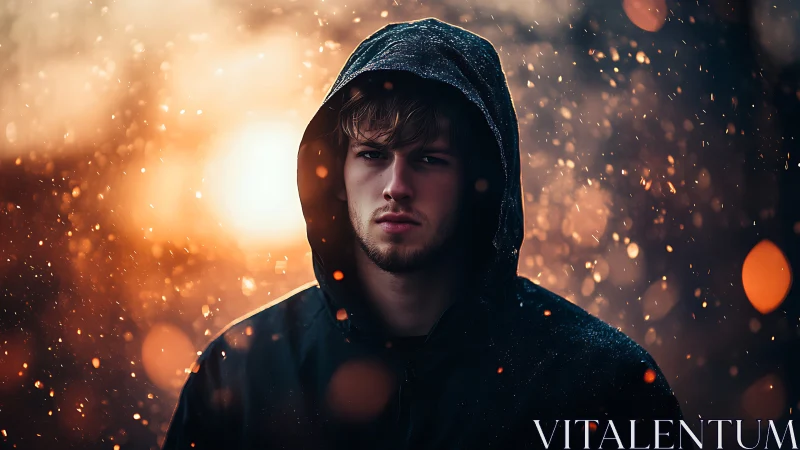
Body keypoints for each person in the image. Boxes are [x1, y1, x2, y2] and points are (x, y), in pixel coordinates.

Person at [163, 18, 684, 450]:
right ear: (337, 176)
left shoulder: (598, 384)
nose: (397, 186)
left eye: (429, 159)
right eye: (373, 155)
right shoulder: (241, 375)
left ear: (478, 185)